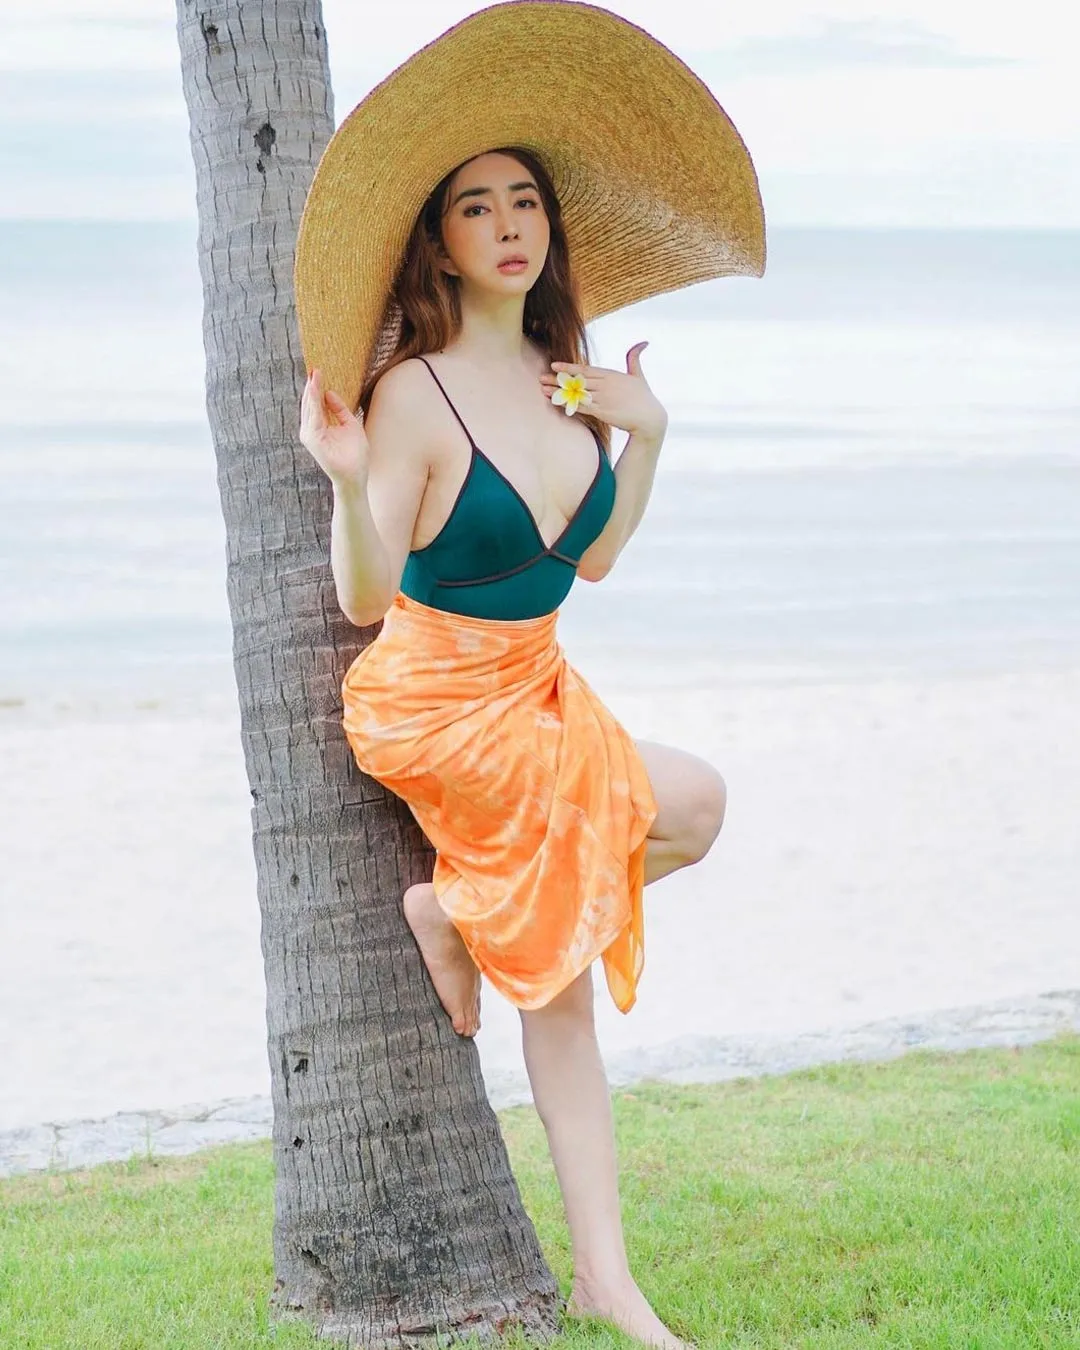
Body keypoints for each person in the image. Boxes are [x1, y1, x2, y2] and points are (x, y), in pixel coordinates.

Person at [293, 7, 765, 1344]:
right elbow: (367, 597)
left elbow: (594, 559)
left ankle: (458, 910)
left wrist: (648, 436)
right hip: (438, 701)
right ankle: (608, 1279)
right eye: (476, 207)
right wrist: (345, 484)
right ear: (437, 243)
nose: (509, 225)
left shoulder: (570, 385)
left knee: (696, 805)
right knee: (560, 974)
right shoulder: (416, 392)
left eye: (525, 203)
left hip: (542, 687)